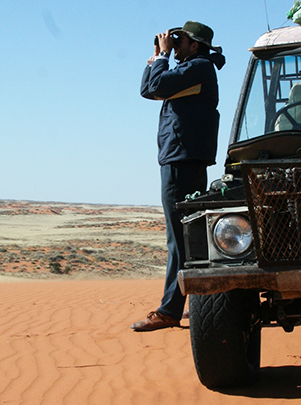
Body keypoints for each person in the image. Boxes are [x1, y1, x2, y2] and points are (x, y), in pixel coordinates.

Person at [131, 21, 225, 332]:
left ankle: (170, 310)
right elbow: (149, 90)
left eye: (180, 40)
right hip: (187, 157)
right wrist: (159, 59)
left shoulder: (198, 67)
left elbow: (155, 86)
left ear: (194, 45)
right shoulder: (198, 68)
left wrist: (160, 58)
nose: (175, 43)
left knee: (179, 238)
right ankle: (193, 300)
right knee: (189, 236)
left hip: (180, 159)